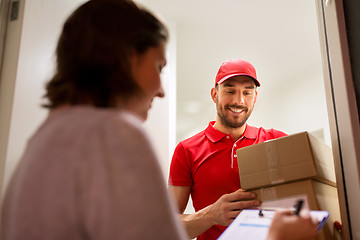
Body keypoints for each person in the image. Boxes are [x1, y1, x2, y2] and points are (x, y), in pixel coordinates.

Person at [0, 0, 318, 239]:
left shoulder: (44, 138)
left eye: (247, 92)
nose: (161, 90)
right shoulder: (114, 132)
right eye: (157, 67)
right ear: (122, 59)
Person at [168, 58, 289, 239]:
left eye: (247, 93)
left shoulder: (276, 140)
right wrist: (211, 215)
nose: (238, 101)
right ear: (214, 94)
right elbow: (166, 226)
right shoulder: (187, 150)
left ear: (255, 97)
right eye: (230, 91)